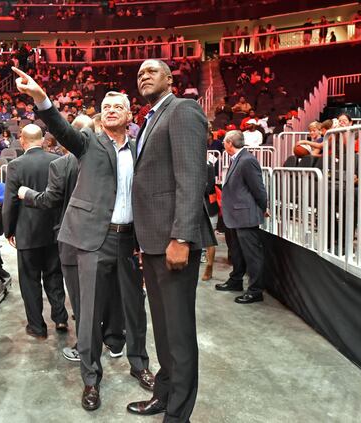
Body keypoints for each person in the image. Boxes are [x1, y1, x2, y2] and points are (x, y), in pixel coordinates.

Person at [13, 67, 155, 411]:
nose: (110, 109)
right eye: (105, 106)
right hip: (95, 239)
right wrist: (40, 97)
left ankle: (141, 365)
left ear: (129, 115)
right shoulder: (89, 143)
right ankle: (91, 379)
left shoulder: (140, 148)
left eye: (117, 106)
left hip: (130, 240)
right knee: (89, 314)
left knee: (134, 309)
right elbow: (62, 128)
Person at [127, 59, 215, 422]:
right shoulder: (149, 119)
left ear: (169, 78)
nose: (143, 76)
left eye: (151, 71)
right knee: (162, 330)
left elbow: (191, 178)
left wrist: (181, 236)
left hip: (174, 241)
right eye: (139, 74)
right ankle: (163, 394)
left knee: (178, 333)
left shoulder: (183, 110)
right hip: (153, 242)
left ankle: (178, 415)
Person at [2, 123, 68, 340]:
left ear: (22, 141)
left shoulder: (16, 165)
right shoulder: (57, 161)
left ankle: (37, 327)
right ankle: (60, 318)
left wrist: (8, 230)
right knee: (54, 275)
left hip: (27, 230)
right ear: (43, 140)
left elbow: (11, 201)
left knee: (30, 280)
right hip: (54, 229)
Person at [217, 130, 267, 304]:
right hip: (234, 215)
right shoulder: (238, 159)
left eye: (224, 141)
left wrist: (263, 207)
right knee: (237, 252)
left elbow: (258, 189)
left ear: (230, 143)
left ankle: (255, 290)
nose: (223, 144)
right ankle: (236, 280)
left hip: (245, 215)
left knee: (252, 255)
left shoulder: (247, 160)